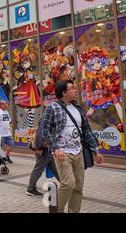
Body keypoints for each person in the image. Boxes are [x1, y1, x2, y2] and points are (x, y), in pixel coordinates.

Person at [42, 80, 104, 213]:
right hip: (62, 152)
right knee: (68, 183)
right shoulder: (52, 108)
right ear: (64, 92)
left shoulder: (78, 108)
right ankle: (56, 209)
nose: (75, 90)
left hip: (78, 152)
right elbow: (45, 130)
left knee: (78, 187)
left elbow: (86, 130)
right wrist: (56, 148)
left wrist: (96, 150)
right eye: (71, 88)